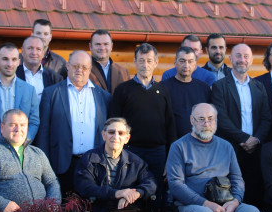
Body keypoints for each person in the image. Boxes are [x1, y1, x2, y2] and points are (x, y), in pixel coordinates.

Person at [34, 51, 111, 194]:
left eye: (84, 67)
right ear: (68, 66)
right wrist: (43, 166)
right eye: (75, 66)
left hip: (93, 165)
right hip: (61, 165)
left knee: (91, 211)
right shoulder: (51, 94)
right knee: (63, 210)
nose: (79, 70)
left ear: (90, 69)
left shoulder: (104, 97)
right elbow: (43, 133)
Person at [210, 43, 272, 206]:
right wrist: (245, 139)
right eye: (238, 56)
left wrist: (256, 139)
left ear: (251, 60)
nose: (241, 60)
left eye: (246, 56)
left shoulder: (259, 87)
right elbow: (221, 119)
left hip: (255, 151)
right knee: (230, 194)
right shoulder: (220, 86)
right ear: (230, 59)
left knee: (254, 194)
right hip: (231, 149)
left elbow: (266, 118)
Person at [109, 44, 177, 185]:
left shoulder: (163, 91)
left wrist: (170, 158)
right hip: (130, 151)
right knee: (131, 193)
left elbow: (170, 126)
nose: (145, 65)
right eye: (141, 60)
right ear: (135, 61)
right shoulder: (122, 90)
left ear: (156, 63)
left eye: (149, 61)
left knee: (156, 194)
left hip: (158, 153)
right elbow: (113, 122)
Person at [0, 43, 39, 144]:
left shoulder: (29, 90)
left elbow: (34, 121)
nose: (10, 64)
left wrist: (24, 141)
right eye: (5, 59)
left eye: (14, 59)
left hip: (20, 149)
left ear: (19, 62)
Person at [162, 46, 212, 140]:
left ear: (195, 64)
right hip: (171, 143)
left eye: (190, 61)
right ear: (175, 62)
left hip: (199, 142)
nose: (186, 65)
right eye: (182, 61)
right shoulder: (163, 88)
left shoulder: (204, 88)